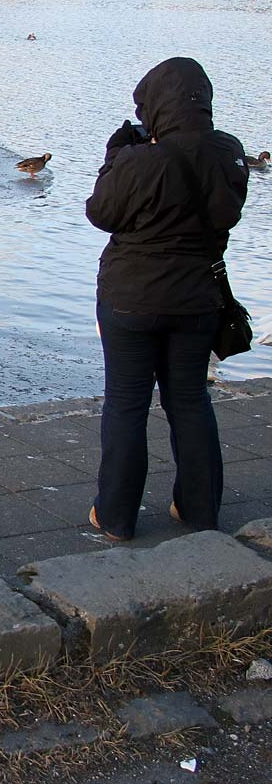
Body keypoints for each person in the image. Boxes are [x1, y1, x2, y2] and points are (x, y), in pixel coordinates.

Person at [85, 57, 249, 541]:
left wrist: (116, 158)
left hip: (131, 299)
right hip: (198, 299)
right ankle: (198, 510)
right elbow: (227, 213)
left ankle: (115, 517)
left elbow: (101, 213)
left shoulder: (140, 161)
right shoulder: (230, 152)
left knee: (127, 404)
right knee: (191, 400)